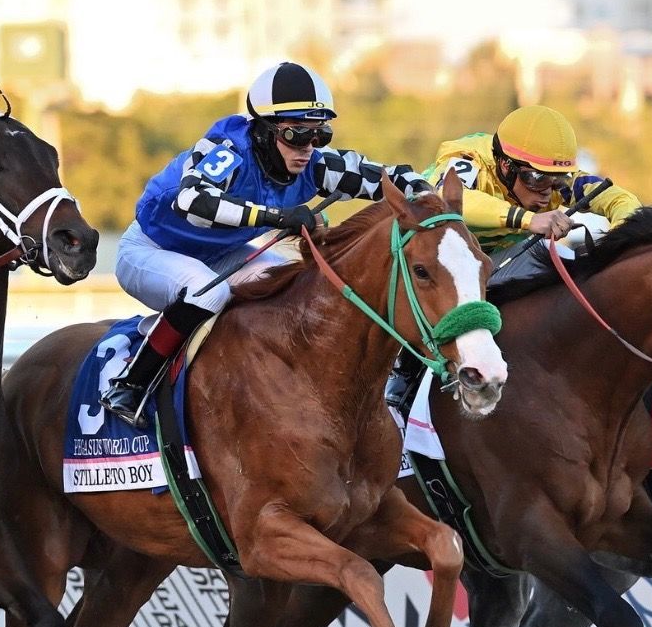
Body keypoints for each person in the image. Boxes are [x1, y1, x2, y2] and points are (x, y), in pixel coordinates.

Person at [101, 61, 434, 429]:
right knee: (207, 293)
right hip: (151, 251)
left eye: (318, 135)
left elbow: (392, 178)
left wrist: (425, 193)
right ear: (262, 131)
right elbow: (192, 202)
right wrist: (278, 217)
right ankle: (131, 384)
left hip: (219, 255)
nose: (308, 148)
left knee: (292, 281)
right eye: (295, 135)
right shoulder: (226, 150)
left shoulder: (315, 166)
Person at [384, 105, 643, 413]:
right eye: (535, 178)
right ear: (505, 166)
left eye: (557, 181)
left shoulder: (552, 183)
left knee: (562, 263)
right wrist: (528, 219)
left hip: (483, 263)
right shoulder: (469, 160)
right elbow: (452, 200)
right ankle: (400, 380)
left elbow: (622, 200)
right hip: (423, 264)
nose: (547, 192)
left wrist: (619, 239)